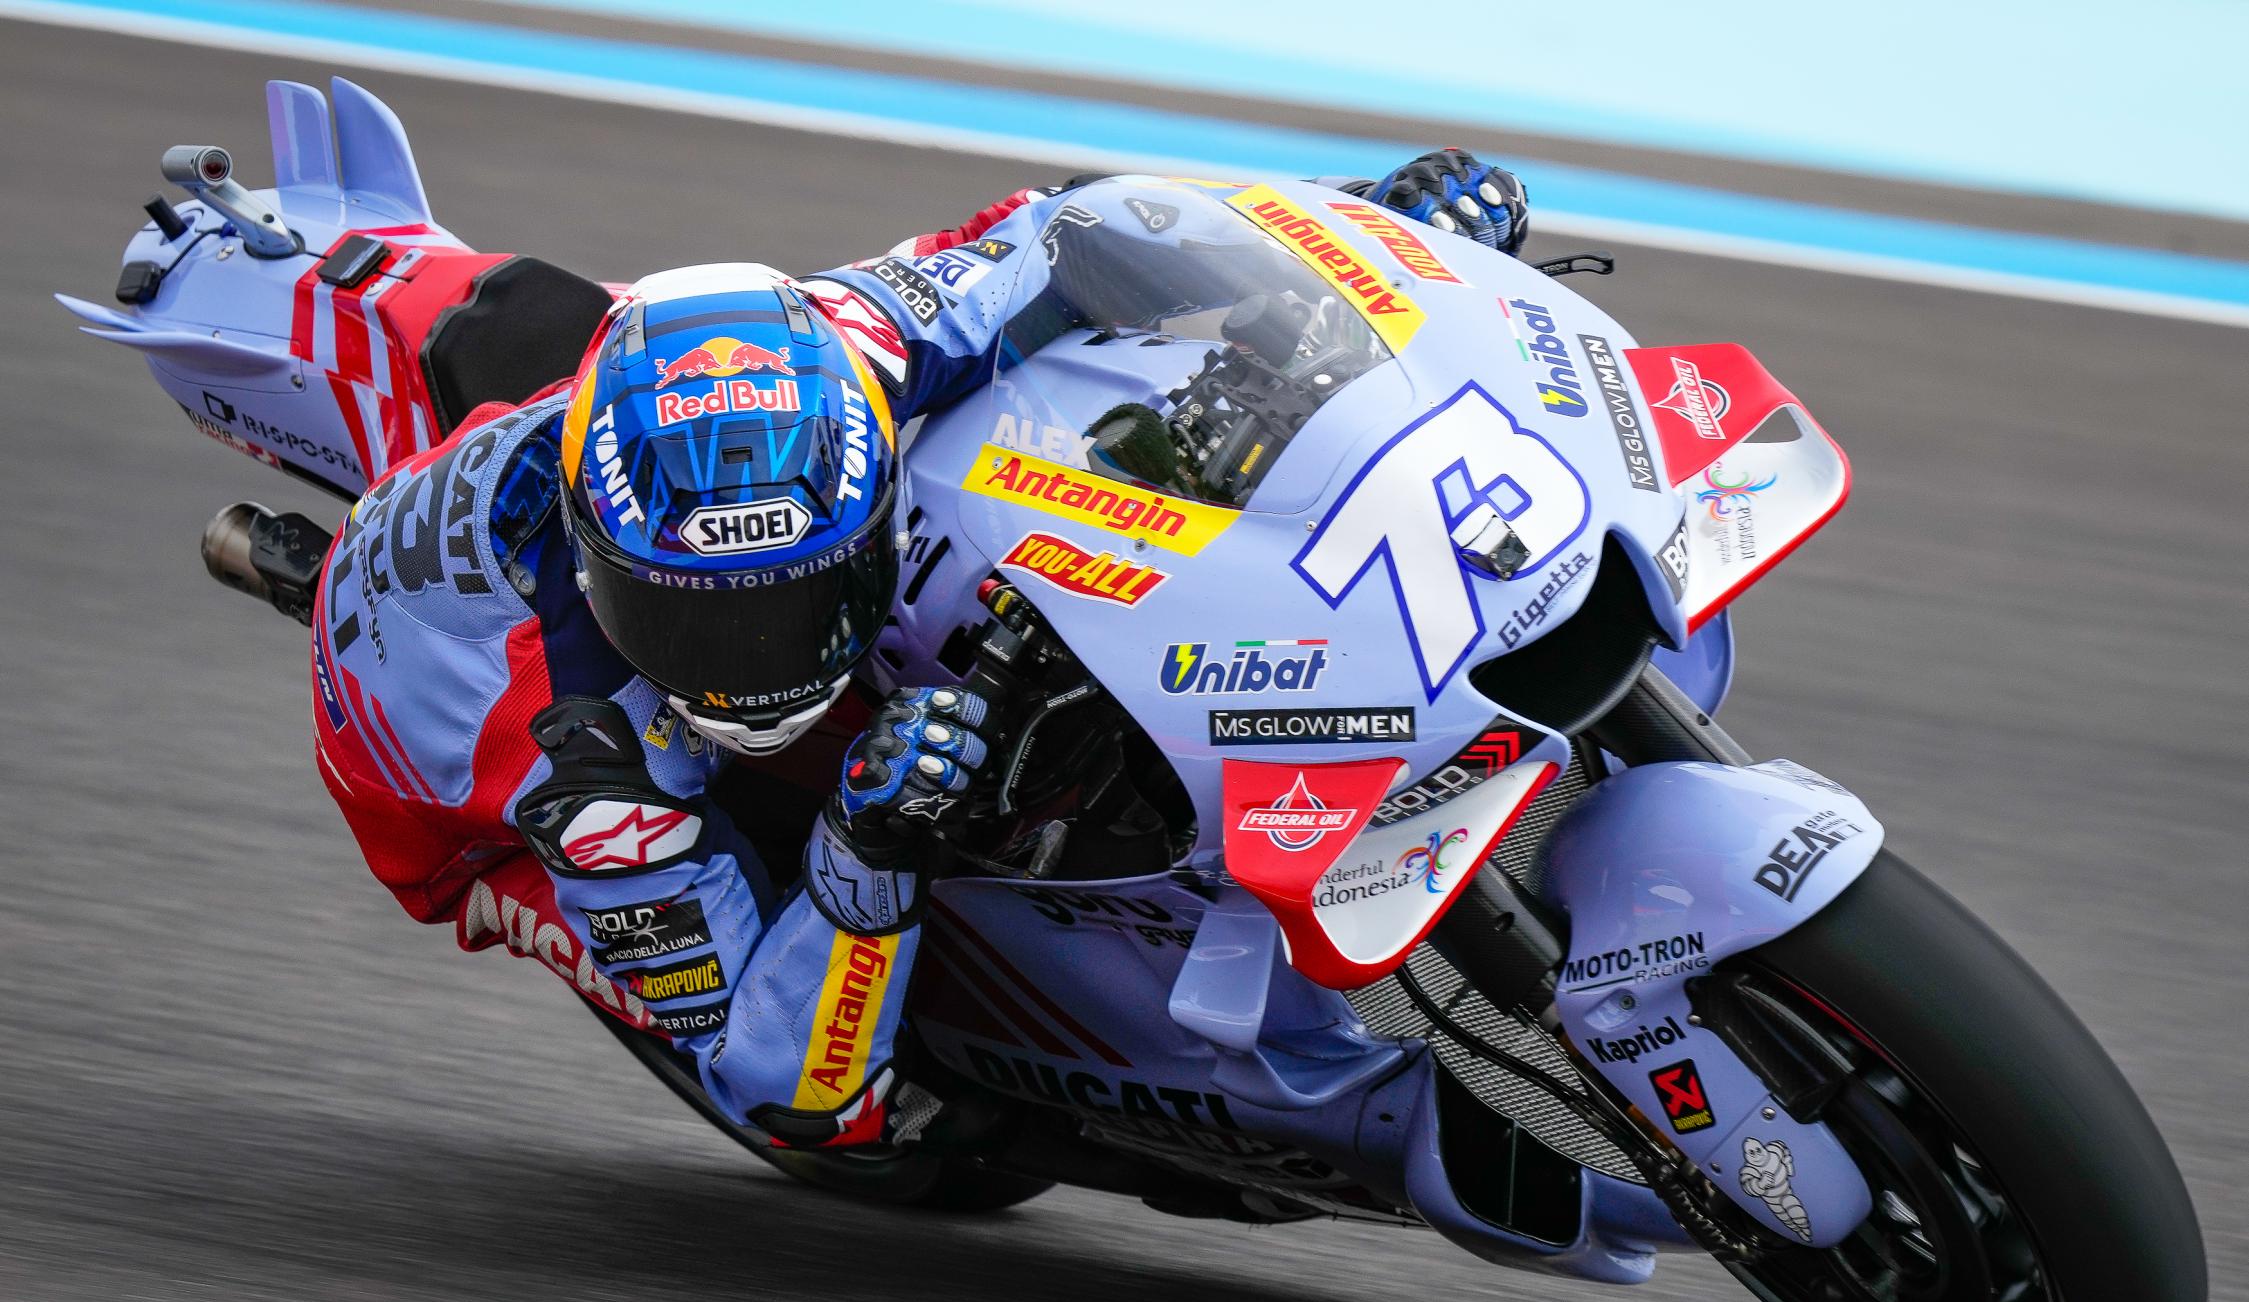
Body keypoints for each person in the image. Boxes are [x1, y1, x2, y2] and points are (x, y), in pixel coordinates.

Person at [308, 150, 1530, 1149]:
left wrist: (1363, 231)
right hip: (455, 789)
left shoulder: (861, 342)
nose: (760, 661)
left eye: (804, 595)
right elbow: (781, 1087)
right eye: (699, 620)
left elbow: (1074, 231)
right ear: (600, 570)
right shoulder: (587, 776)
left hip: (599, 433)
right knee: (866, 1112)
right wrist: (866, 842)